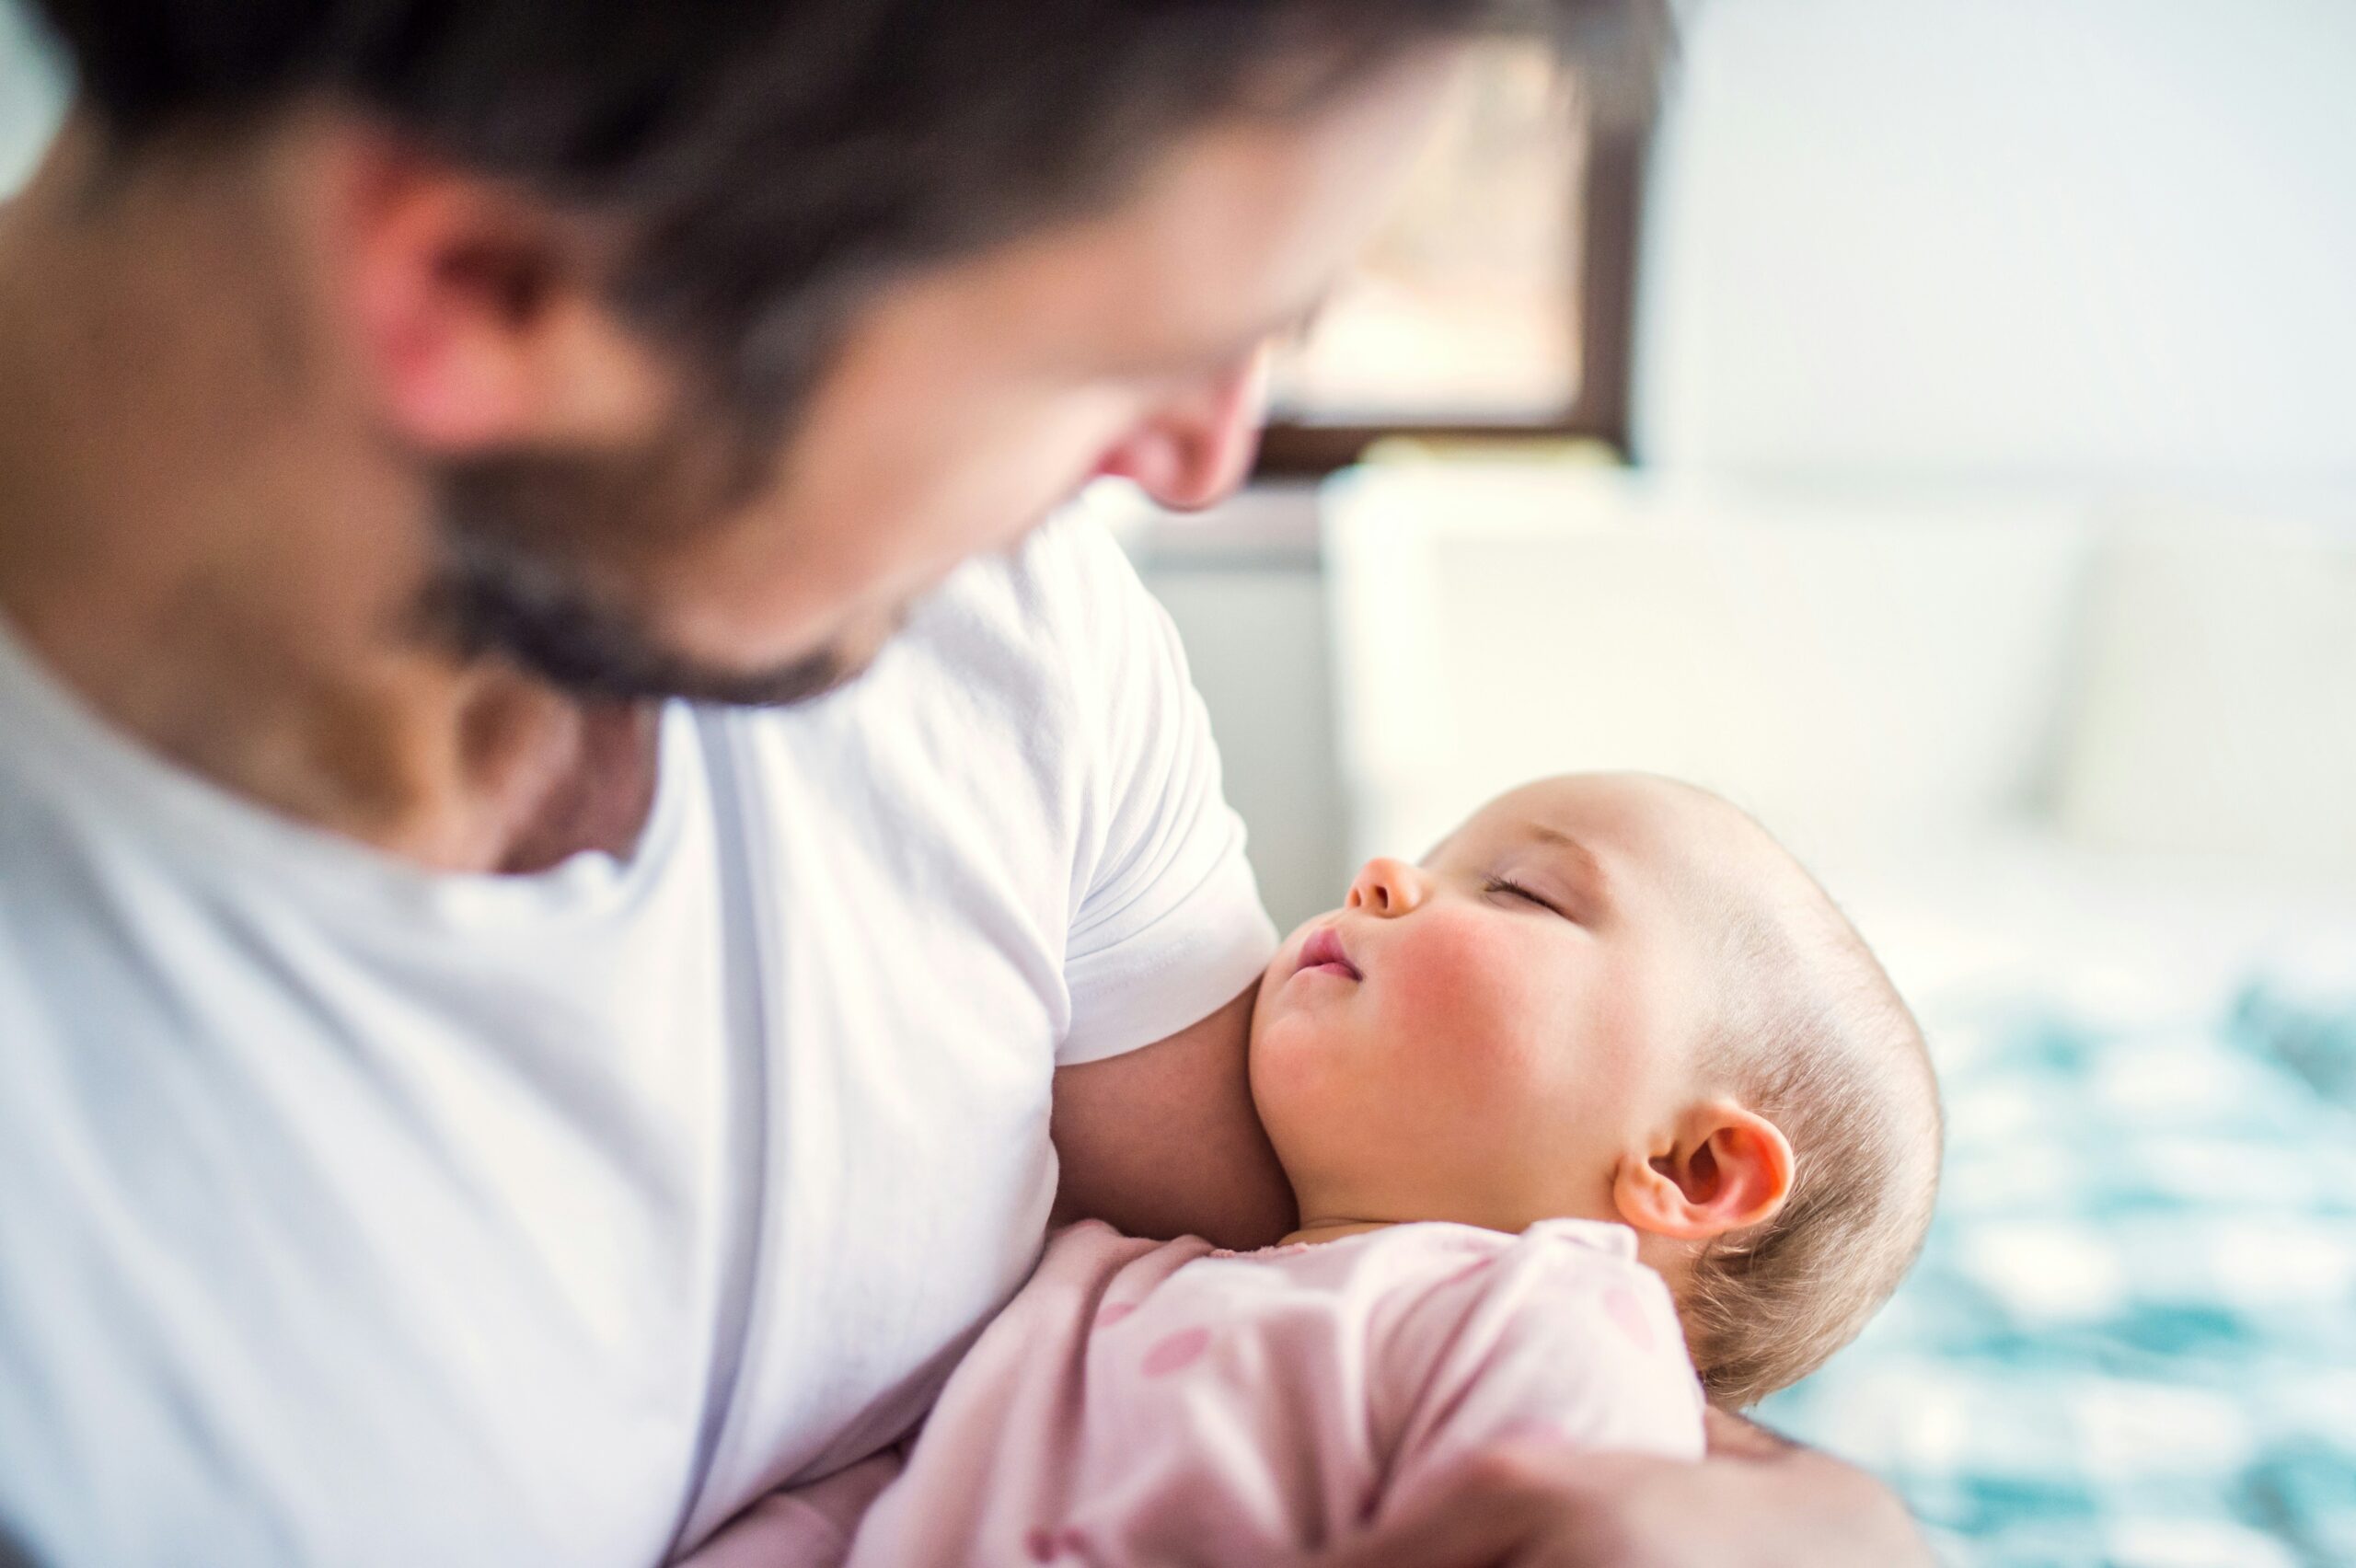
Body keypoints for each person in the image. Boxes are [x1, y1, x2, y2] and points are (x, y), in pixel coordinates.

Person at [0, 3, 1933, 1563]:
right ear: (491, 294)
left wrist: (1793, 1528)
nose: (1192, 468)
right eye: (1120, 355)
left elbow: (1434, 1301)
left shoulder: (996, 618)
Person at [685, 773, 1942, 1564]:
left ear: (1692, 1165)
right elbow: (887, 1495)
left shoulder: (1549, 1325)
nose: (1386, 876)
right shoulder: (1110, 1274)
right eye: (1436, 855)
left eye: (1517, 890)